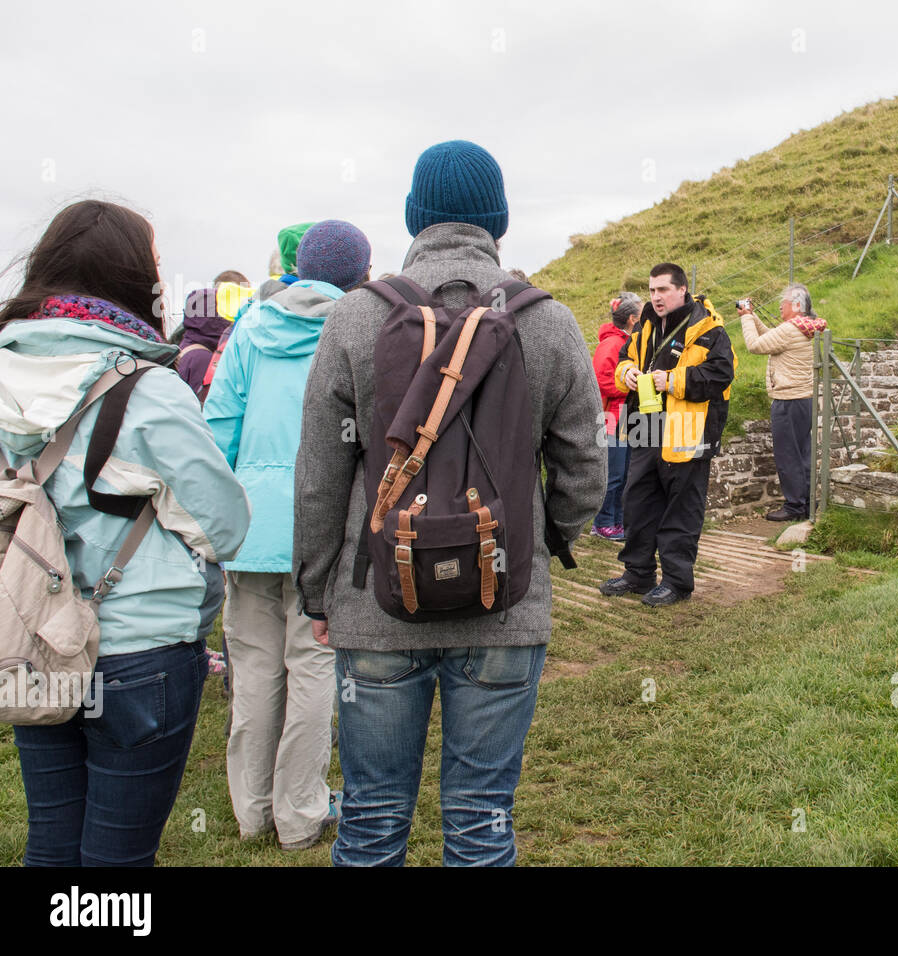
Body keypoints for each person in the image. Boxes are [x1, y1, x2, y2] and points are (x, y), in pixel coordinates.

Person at [293, 139, 604, 866]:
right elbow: (585, 461)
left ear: (412, 217)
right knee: (481, 821)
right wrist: (550, 538)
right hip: (505, 604)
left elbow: (320, 474)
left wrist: (317, 592)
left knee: (369, 818)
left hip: (375, 604)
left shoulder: (355, 318)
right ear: (499, 220)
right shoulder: (549, 320)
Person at [0, 199, 250, 866]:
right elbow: (226, 525)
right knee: (118, 859)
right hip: (138, 647)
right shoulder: (147, 390)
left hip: (33, 637)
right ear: (134, 278)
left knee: (52, 842)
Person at [204, 220, 373, 851]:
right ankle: (300, 812)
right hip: (321, 526)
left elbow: (218, 426)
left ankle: (251, 809)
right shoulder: (360, 328)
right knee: (313, 667)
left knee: (252, 669)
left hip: (250, 524)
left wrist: (222, 519)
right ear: (360, 271)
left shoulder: (248, 326)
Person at [600, 263, 735, 607]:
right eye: (652, 290)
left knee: (681, 508)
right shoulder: (645, 325)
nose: (656, 297)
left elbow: (721, 374)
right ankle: (638, 573)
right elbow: (624, 358)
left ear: (682, 289)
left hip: (687, 430)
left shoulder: (709, 328)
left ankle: (676, 582)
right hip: (645, 427)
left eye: (663, 290)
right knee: (638, 502)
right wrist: (628, 373)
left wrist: (672, 381)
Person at [737, 284, 826, 521]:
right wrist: (753, 316)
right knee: (802, 454)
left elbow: (756, 345)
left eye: (783, 302)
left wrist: (745, 317)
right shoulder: (802, 328)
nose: (779, 306)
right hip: (804, 399)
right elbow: (771, 339)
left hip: (788, 400)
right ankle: (806, 504)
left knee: (788, 455)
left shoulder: (789, 329)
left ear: (797, 306)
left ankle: (794, 507)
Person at [591, 291, 643, 540]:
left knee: (625, 475)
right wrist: (631, 386)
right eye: (643, 315)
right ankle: (602, 523)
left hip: (627, 417)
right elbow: (599, 382)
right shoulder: (612, 344)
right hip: (613, 418)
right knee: (614, 475)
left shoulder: (627, 342)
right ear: (633, 319)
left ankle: (617, 521)